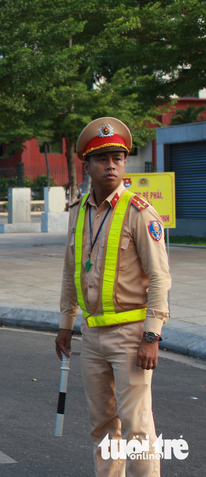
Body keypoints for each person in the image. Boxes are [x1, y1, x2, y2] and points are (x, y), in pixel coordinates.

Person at [55, 117, 171, 475]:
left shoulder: (139, 213)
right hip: (91, 336)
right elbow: (71, 273)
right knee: (102, 427)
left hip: (131, 336)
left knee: (137, 427)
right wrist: (65, 325)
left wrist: (152, 336)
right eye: (102, 158)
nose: (111, 165)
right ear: (86, 165)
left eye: (118, 158)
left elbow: (159, 277)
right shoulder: (78, 213)